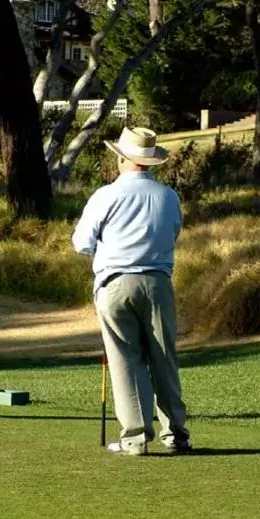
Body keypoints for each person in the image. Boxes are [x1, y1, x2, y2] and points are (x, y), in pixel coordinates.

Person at [72, 127, 191, 456]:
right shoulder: (168, 196)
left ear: (123, 158)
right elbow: (173, 232)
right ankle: (176, 435)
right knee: (163, 357)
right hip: (157, 283)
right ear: (150, 161)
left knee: (126, 360)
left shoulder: (105, 196)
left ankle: (136, 438)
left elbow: (82, 243)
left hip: (114, 283)